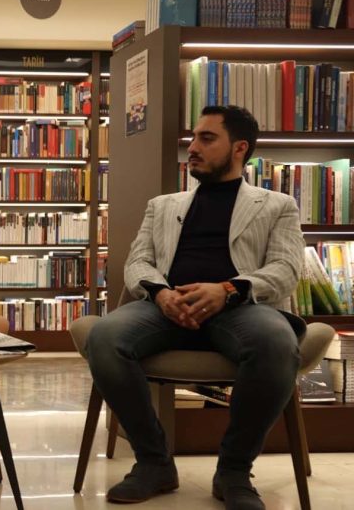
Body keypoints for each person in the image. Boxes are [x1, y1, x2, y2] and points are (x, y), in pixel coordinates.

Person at [86, 105, 305, 510]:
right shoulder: (162, 205)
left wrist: (227, 290)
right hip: (165, 307)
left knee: (277, 342)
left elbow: (286, 269)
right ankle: (154, 462)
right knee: (104, 337)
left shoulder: (277, 205)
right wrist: (161, 294)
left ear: (239, 148)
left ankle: (234, 471)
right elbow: (138, 262)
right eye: (193, 138)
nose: (193, 147)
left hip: (240, 308)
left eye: (207, 138)